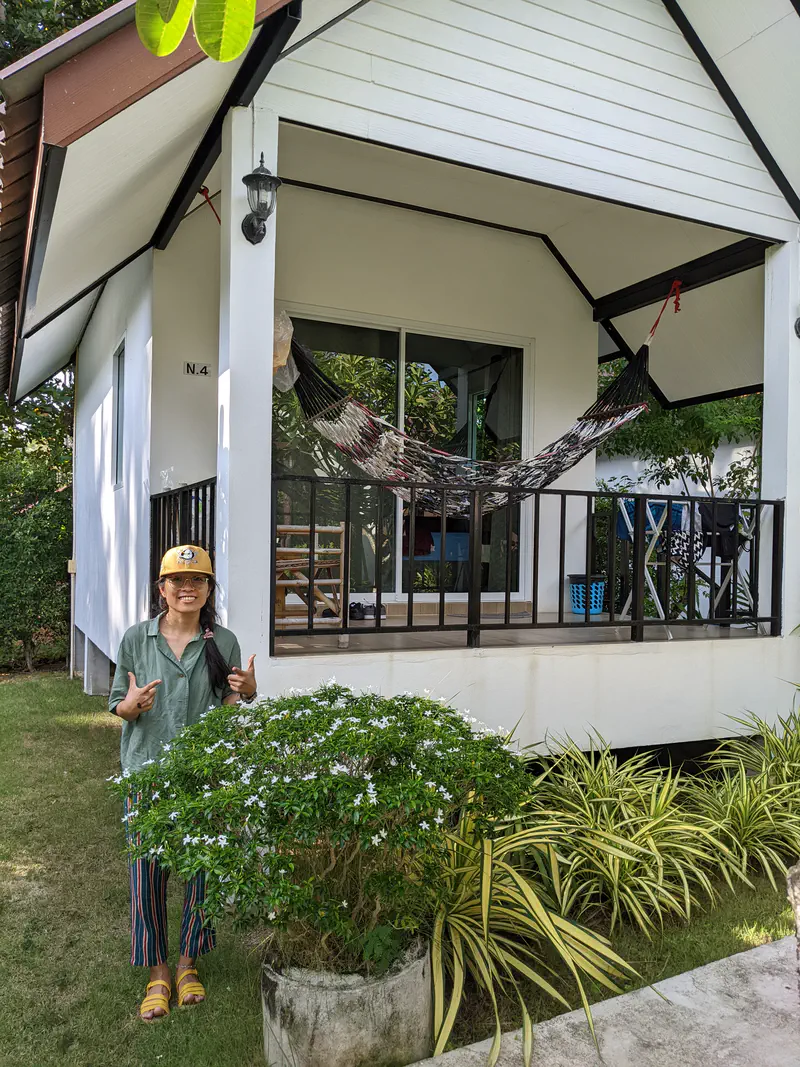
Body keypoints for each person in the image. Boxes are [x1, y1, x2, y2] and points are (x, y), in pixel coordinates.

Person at [108, 544, 258, 1021]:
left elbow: (231, 704)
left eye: (197, 581)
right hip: (146, 772)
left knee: (201, 872)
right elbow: (118, 702)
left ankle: (189, 963)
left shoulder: (224, 641)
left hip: (202, 775)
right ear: (162, 589)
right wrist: (132, 707)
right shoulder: (137, 639)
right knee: (147, 874)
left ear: (209, 589)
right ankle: (158, 972)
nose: (187, 588)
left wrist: (249, 693)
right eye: (177, 581)